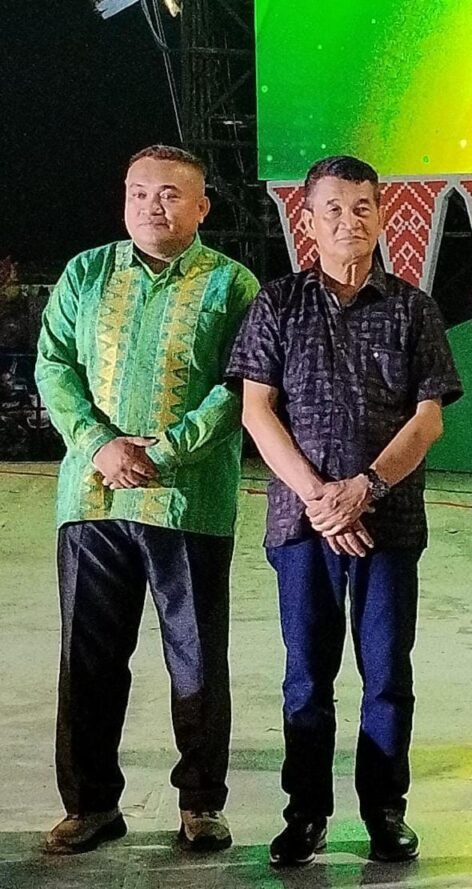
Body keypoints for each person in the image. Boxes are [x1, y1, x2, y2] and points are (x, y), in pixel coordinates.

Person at [227, 155, 463, 867]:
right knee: (307, 675)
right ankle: (305, 813)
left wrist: (365, 487)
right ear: (307, 220)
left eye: (362, 206)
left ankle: (385, 810)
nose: (348, 220)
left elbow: (428, 418)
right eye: (332, 208)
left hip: (388, 523)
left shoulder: (413, 308)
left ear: (382, 215)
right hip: (302, 526)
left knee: (386, 674)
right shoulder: (277, 303)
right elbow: (257, 410)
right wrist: (319, 497)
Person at [35, 145, 259, 854]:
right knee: (88, 659)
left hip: (187, 501)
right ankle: (91, 804)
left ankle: (201, 803)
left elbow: (242, 384)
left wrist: (161, 452)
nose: (151, 205)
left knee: (196, 658)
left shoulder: (232, 284)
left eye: (169, 194)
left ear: (202, 207)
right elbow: (54, 363)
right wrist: (98, 444)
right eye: (139, 192)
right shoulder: (86, 273)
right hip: (92, 499)